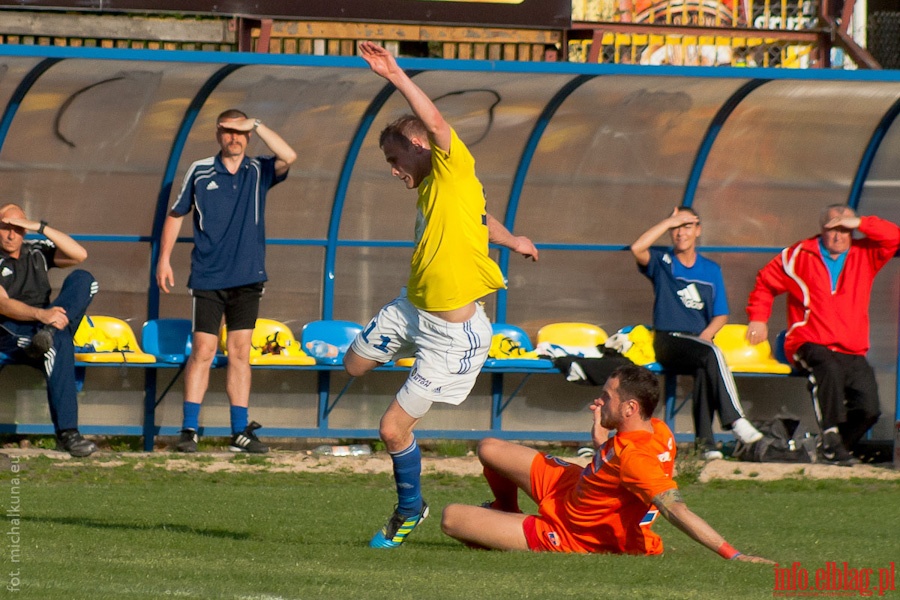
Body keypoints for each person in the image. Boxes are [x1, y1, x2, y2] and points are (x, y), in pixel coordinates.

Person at [348, 41, 539, 549]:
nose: (393, 169)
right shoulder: (445, 188)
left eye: (395, 157)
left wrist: (395, 74)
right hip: (411, 308)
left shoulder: (451, 162)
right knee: (352, 366)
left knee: (391, 429)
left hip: (450, 335)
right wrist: (513, 239)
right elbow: (478, 218)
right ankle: (404, 358)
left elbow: (433, 122)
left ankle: (410, 508)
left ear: (418, 146)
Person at [441, 364, 771, 562]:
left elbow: (676, 509)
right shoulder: (656, 429)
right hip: (572, 486)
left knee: (452, 518)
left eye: (608, 397)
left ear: (629, 408)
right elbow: (617, 466)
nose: (601, 400)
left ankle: (513, 527)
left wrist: (734, 554)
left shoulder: (636, 459)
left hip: (574, 533)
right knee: (489, 448)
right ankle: (507, 511)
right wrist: (601, 438)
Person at [156, 109, 297, 454]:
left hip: (248, 276)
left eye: (240, 132)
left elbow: (289, 156)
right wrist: (164, 260)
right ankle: (189, 429)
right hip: (208, 276)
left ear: (248, 135)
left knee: (239, 353)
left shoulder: (258, 169)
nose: (234, 138)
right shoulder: (201, 170)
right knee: (203, 350)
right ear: (218, 135)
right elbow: (176, 214)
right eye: (227, 132)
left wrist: (259, 124)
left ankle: (240, 431)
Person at [745, 205, 900, 466]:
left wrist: (860, 221)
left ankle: (830, 449)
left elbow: (894, 237)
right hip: (809, 340)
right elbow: (765, 282)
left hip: (852, 347)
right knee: (827, 368)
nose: (838, 236)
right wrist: (758, 318)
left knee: (870, 409)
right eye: (832, 230)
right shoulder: (799, 254)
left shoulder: (866, 253)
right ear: (821, 230)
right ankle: (830, 438)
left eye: (844, 229)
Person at [630, 206, 762, 459]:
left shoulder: (711, 269)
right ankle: (735, 420)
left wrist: (707, 335)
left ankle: (705, 444)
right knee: (711, 353)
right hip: (669, 340)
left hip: (699, 343)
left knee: (705, 366)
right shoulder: (662, 261)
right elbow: (637, 248)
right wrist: (669, 221)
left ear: (698, 231)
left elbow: (721, 314)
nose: (681, 233)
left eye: (687, 226)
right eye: (676, 228)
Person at [0, 203, 99, 457]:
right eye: (5, 227)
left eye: (18, 229)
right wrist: (42, 315)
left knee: (85, 280)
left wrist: (41, 228)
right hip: (11, 329)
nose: (11, 235)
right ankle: (68, 434)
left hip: (44, 325)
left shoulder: (36, 252)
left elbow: (79, 255)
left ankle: (49, 335)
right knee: (61, 343)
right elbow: (3, 304)